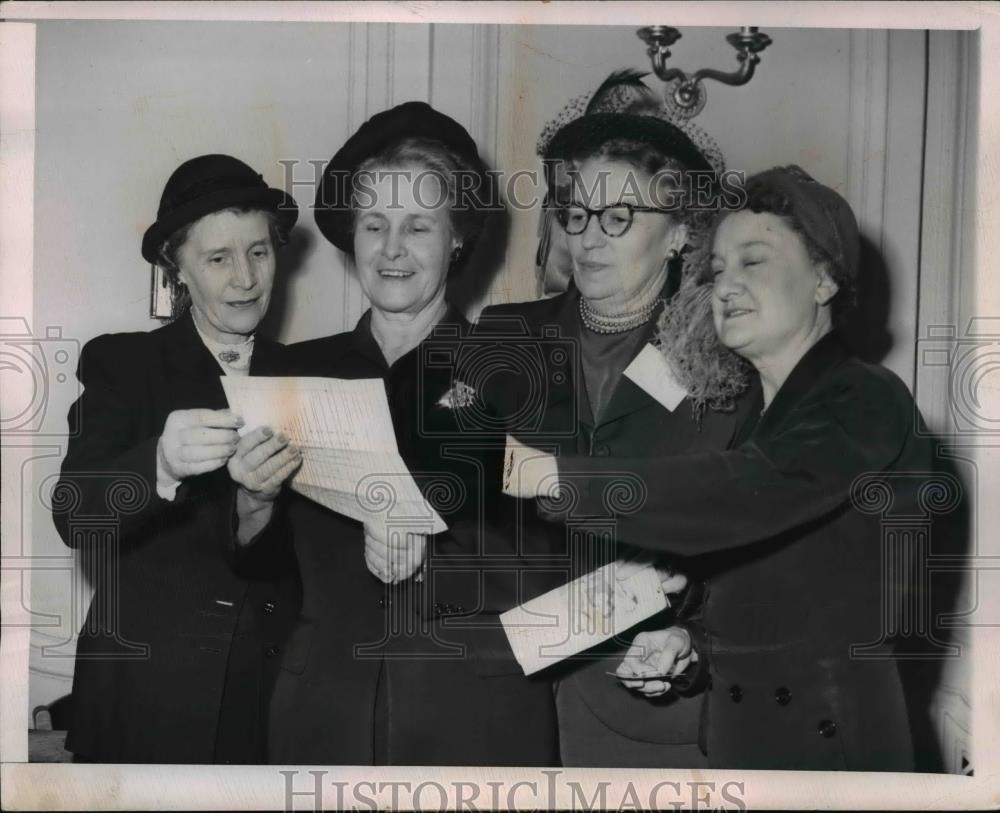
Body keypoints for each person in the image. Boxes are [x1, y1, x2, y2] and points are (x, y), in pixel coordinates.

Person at [506, 165, 945, 771]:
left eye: (754, 262)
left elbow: (749, 493)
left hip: (832, 749)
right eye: (717, 271)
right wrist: (689, 646)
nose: (726, 286)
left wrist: (555, 476)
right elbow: (785, 605)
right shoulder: (770, 418)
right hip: (749, 745)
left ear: (823, 279)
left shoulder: (865, 396)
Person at [264, 101, 561, 766]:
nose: (392, 248)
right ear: (353, 238)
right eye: (375, 224)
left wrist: (427, 531)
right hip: (325, 709)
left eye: (418, 226)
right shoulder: (293, 373)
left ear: (456, 237)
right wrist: (250, 503)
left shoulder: (522, 365)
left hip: (476, 718)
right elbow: (261, 568)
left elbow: (555, 556)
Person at [473, 70, 749, 768]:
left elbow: (757, 555)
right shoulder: (502, 336)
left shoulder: (729, 369)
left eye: (619, 217)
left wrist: (697, 645)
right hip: (495, 706)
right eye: (576, 213)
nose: (588, 239)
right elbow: (443, 477)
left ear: (681, 232)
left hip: (646, 716)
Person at [50, 154, 303, 763]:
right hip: (146, 700)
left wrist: (258, 508)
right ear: (178, 269)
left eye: (259, 252)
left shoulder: (306, 376)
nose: (245, 278)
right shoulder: (125, 366)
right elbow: (73, 515)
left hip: (263, 701)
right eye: (218, 259)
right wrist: (159, 465)